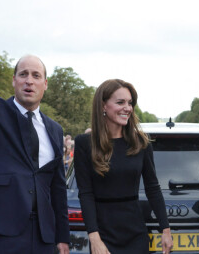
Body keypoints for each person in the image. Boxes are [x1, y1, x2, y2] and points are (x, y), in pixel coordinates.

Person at [74, 79, 173, 254]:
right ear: (103, 105)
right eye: (120, 102)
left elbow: (153, 188)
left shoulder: (141, 142)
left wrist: (165, 229)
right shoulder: (84, 143)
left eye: (130, 103)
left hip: (135, 233)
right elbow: (85, 193)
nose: (127, 108)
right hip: (103, 234)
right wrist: (94, 237)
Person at [0, 55, 70, 254]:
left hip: (44, 237)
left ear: (45, 84)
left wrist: (63, 237)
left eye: (36, 75)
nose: (29, 80)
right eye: (23, 74)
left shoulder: (55, 129)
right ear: (14, 81)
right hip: (3, 235)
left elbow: (58, 187)